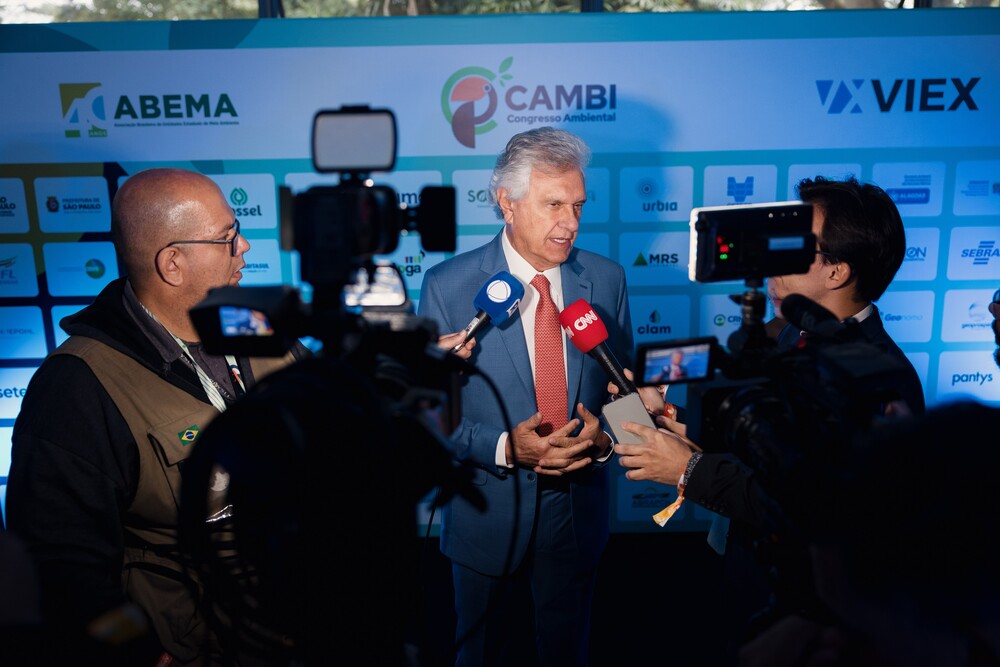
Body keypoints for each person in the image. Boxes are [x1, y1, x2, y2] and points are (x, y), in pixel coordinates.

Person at [4, 167, 313, 665]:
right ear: (173, 263)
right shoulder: (77, 387)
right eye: (227, 236)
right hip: (197, 649)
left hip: (294, 629)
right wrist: (138, 652)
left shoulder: (256, 325)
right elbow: (62, 568)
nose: (244, 247)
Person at [611, 175, 927, 662]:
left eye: (795, 243)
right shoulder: (789, 336)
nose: (773, 259)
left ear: (837, 270)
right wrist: (671, 414)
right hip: (749, 573)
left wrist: (686, 471)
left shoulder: (878, 379)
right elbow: (761, 442)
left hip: (810, 611)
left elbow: (813, 504)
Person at [418, 126, 633, 667]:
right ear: (506, 203)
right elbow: (429, 413)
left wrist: (604, 441)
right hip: (486, 511)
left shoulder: (606, 279)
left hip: (576, 512)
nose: (571, 223)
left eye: (578, 205)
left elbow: (625, 393)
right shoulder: (447, 285)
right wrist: (506, 449)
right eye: (554, 204)